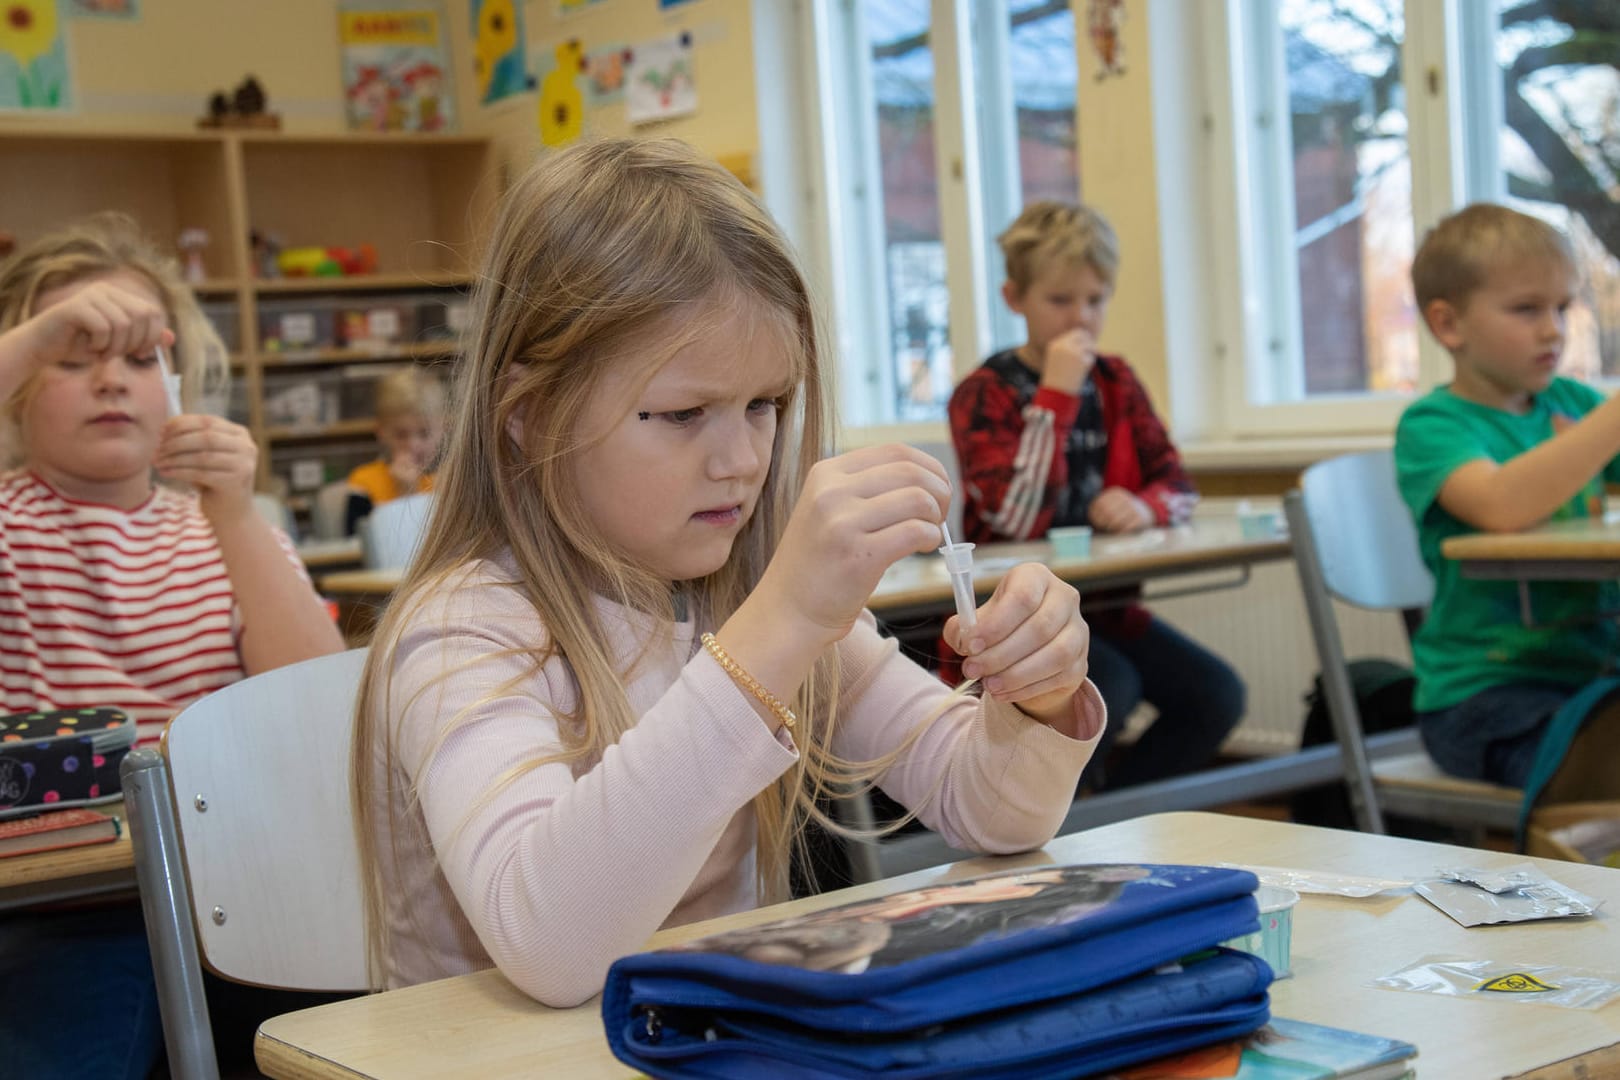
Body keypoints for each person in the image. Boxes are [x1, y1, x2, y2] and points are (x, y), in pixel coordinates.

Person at [351, 138, 1108, 1008]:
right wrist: (783, 621)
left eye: (766, 405)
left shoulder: (748, 594)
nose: (743, 459)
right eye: (681, 415)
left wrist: (1038, 695)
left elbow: (995, 813)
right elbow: (552, 947)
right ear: (527, 414)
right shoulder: (463, 629)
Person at [0, 213, 346, 1079]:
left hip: (239, 888)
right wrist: (27, 335)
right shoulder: (9, 522)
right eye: (71, 357)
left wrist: (234, 511)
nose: (109, 379)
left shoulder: (224, 531)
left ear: (181, 384)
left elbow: (316, 693)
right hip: (64, 904)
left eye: (137, 357)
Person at [946, 201, 1243, 791]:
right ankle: (1060, 809)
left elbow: (1178, 484)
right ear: (1015, 299)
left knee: (1216, 695)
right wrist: (1055, 398)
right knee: (1112, 686)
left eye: (1095, 299)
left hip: (1107, 607)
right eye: (1060, 301)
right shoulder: (982, 394)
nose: (1080, 318)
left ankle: (1118, 811)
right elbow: (1014, 516)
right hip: (1019, 619)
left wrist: (1145, 507)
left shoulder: (1117, 381)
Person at [1396, 203, 1620, 791]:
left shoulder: (1575, 405)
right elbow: (1500, 504)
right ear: (1448, 325)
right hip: (1486, 699)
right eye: (1527, 309)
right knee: (1600, 773)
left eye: (1562, 308)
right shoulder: (1433, 425)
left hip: (1593, 679)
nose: (1553, 329)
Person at [344, 364, 446, 534]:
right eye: (401, 435)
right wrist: (404, 494)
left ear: (442, 429)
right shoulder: (363, 483)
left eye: (424, 433)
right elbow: (359, 545)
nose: (413, 445)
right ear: (381, 432)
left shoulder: (451, 483)